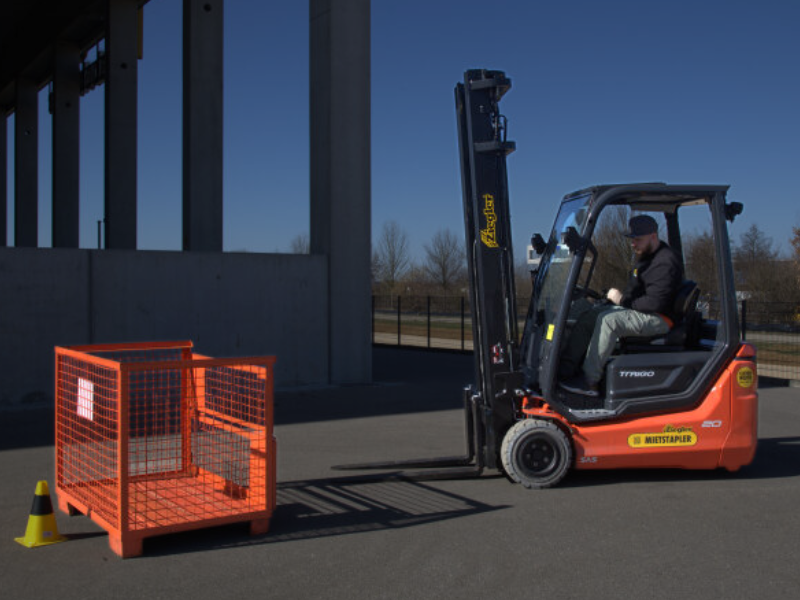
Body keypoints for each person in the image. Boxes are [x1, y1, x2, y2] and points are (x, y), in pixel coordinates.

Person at [560, 214, 683, 396]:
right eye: (632, 239)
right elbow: (634, 291)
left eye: (637, 240)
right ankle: (565, 369)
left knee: (608, 321)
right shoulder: (647, 256)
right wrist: (611, 299)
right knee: (590, 315)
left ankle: (589, 381)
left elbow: (654, 302)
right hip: (642, 310)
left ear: (653, 236)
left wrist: (620, 300)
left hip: (661, 318)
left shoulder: (665, 262)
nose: (633, 244)